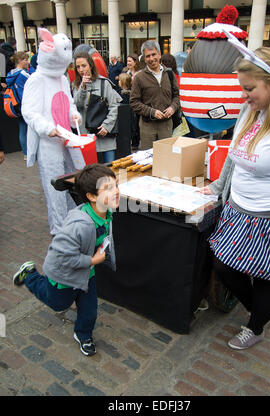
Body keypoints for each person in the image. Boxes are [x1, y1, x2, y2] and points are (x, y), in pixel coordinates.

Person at [201, 46, 270, 350]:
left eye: (249, 88)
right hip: (238, 209)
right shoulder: (251, 109)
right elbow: (234, 154)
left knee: (265, 278)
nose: (244, 95)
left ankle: (256, 325)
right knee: (223, 266)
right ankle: (256, 308)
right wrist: (218, 188)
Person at [12, 163, 120, 356]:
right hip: (64, 275)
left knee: (89, 309)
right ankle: (30, 275)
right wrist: (93, 261)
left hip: (86, 273)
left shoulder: (106, 213)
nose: (116, 192)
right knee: (58, 305)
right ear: (92, 196)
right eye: (109, 188)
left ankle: (83, 334)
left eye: (116, 186)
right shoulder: (79, 226)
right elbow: (62, 258)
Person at [21, 28, 82, 237]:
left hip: (67, 137)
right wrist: (48, 128)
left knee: (74, 179)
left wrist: (74, 115)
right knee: (55, 186)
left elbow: (69, 102)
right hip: (49, 142)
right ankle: (59, 229)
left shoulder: (62, 79)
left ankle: (74, 222)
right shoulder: (36, 79)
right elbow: (28, 111)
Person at [130, 40, 180, 150]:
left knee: (166, 156)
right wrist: (152, 112)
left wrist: (173, 107)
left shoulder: (170, 74)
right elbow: (134, 102)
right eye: (148, 56)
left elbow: (177, 96)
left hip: (166, 125)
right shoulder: (139, 77)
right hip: (148, 126)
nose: (151, 59)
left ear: (159, 54)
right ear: (143, 58)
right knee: (148, 158)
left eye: (154, 54)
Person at [73, 51, 120, 163]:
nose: (81, 69)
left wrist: (106, 126)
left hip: (104, 134)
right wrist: (82, 87)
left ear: (90, 65)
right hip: (87, 135)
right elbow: (76, 104)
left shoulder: (104, 83)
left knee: (109, 169)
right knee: (90, 171)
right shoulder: (76, 85)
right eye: (78, 67)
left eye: (84, 65)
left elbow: (113, 106)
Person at [6, 51, 35, 160]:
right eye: (25, 60)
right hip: (26, 104)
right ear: (19, 61)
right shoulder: (23, 74)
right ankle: (31, 153)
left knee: (22, 129)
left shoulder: (11, 74)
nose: (28, 62)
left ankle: (26, 153)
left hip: (16, 105)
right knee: (31, 129)